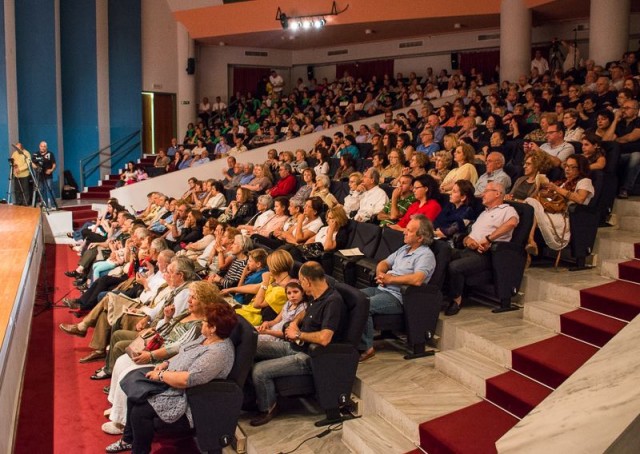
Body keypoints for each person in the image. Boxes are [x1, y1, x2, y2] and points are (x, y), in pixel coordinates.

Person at [104, 300, 236, 454]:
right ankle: (128, 440)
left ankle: (139, 451)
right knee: (134, 393)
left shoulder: (218, 353)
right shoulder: (206, 338)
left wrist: (161, 375)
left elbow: (188, 379)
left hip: (188, 397)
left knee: (140, 411)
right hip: (171, 380)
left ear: (213, 328)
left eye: (205, 321)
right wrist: (166, 363)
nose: (202, 322)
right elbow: (183, 352)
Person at [249, 261, 346, 426]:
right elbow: (306, 312)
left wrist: (298, 334)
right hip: (294, 345)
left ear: (307, 281)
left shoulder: (333, 302)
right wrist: (294, 322)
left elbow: (325, 338)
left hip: (308, 356)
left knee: (259, 371)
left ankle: (268, 408)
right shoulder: (317, 295)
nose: (300, 284)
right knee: (252, 345)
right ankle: (249, 396)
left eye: (301, 281)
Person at [358, 214, 436, 361]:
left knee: (364, 305)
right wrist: (381, 274)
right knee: (352, 297)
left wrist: (391, 279)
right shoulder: (404, 249)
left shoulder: (425, 255)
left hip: (399, 297)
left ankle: (367, 348)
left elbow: (418, 279)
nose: (404, 232)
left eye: (409, 230)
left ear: (420, 237)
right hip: (382, 288)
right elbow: (384, 263)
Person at [445, 181, 519, 316]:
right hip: (469, 249)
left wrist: (489, 239)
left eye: (486, 191)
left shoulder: (507, 210)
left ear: (497, 194)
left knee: (454, 267)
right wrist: (468, 241)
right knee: (442, 253)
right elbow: (470, 235)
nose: (482, 194)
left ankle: (456, 300)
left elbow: (512, 223)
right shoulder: (484, 213)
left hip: (487, 254)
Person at [524, 154, 594, 254]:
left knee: (530, 206)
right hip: (551, 211)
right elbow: (554, 198)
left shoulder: (585, 181)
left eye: (572, 167)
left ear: (580, 169)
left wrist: (556, 189)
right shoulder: (563, 182)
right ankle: (529, 245)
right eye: (566, 166)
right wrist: (546, 192)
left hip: (565, 217)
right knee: (527, 208)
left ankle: (530, 242)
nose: (567, 169)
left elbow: (580, 199)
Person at [31, 141, 57, 208]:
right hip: (39, 175)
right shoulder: (35, 154)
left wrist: (51, 170)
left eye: (44, 146)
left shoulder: (50, 154)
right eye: (41, 146)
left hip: (48, 175)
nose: (43, 148)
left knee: (50, 189)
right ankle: (45, 205)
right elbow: (32, 163)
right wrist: (36, 167)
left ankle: (53, 205)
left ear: (46, 147)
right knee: (42, 190)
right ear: (39, 146)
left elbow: (54, 164)